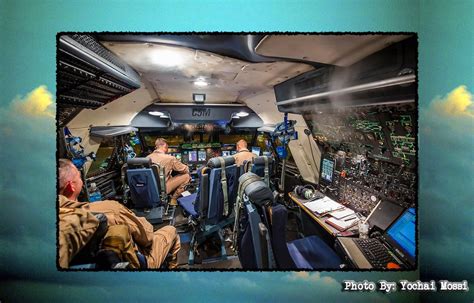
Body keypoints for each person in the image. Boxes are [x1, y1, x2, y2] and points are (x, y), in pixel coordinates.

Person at [58, 158, 181, 269]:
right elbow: (147, 237)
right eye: (79, 177)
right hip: (137, 263)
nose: (81, 180)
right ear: (71, 187)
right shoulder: (109, 208)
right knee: (171, 230)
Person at [147, 138, 191, 205]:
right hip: (162, 189)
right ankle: (174, 199)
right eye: (167, 147)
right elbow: (185, 170)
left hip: (149, 189)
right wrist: (186, 166)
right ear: (165, 146)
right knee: (186, 176)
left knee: (169, 176)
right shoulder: (169, 158)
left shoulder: (147, 158)